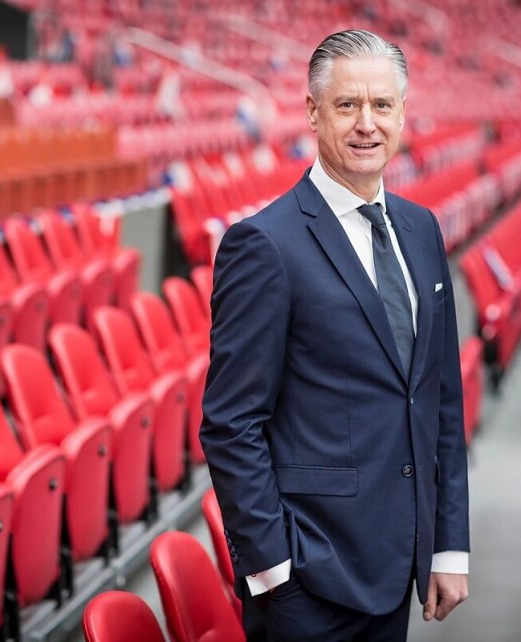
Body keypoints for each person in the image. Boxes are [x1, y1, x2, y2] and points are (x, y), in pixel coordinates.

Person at [200, 29, 470, 641]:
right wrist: (274, 572)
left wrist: (447, 544)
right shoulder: (264, 244)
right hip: (309, 584)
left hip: (397, 566)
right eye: (347, 105)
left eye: (382, 105)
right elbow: (230, 422)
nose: (366, 124)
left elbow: (439, 397)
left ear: (403, 114)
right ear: (313, 114)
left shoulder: (421, 229)